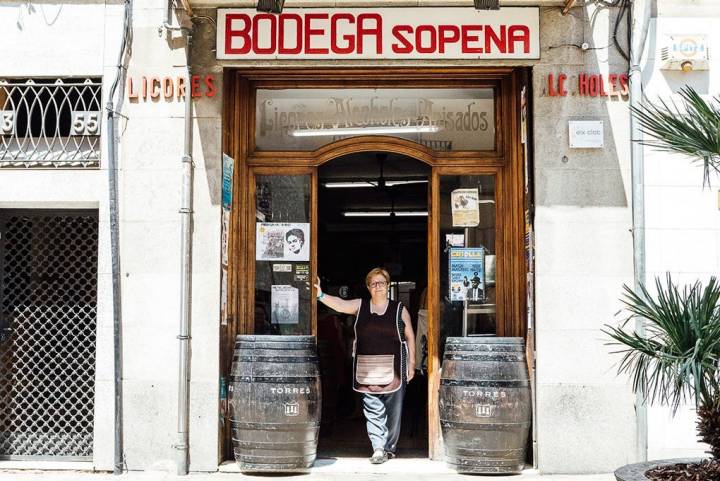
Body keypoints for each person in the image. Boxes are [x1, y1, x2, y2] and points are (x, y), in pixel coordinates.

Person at [314, 268, 416, 464]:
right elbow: (340, 305)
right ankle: (378, 448)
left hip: (395, 368)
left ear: (387, 286)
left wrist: (411, 364)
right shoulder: (360, 306)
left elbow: (410, 337)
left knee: (394, 411)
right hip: (367, 368)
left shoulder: (400, 310)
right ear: (368, 287)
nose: (378, 287)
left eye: (381, 283)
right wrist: (320, 294)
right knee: (372, 408)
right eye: (373, 283)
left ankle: (389, 448)